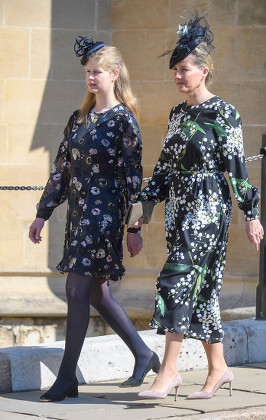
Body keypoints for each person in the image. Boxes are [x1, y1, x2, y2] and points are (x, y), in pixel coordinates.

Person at [134, 13, 264, 400]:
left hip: (208, 207)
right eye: (175, 69)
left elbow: (236, 167)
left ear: (204, 71)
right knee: (203, 290)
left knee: (177, 278)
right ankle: (219, 369)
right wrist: (141, 213)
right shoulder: (177, 114)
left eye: (185, 69)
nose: (178, 76)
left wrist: (251, 213)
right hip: (178, 206)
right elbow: (163, 168)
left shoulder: (225, 112)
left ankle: (169, 372)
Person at [29, 36, 160, 402]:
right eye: (87, 72)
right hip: (78, 216)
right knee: (97, 293)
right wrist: (42, 213)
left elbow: (135, 178)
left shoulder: (124, 121)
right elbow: (62, 170)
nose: (90, 78)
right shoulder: (79, 118)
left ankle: (67, 377)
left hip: (105, 218)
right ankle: (144, 353)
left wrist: (135, 226)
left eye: (96, 72)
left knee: (76, 289)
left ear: (114, 74)